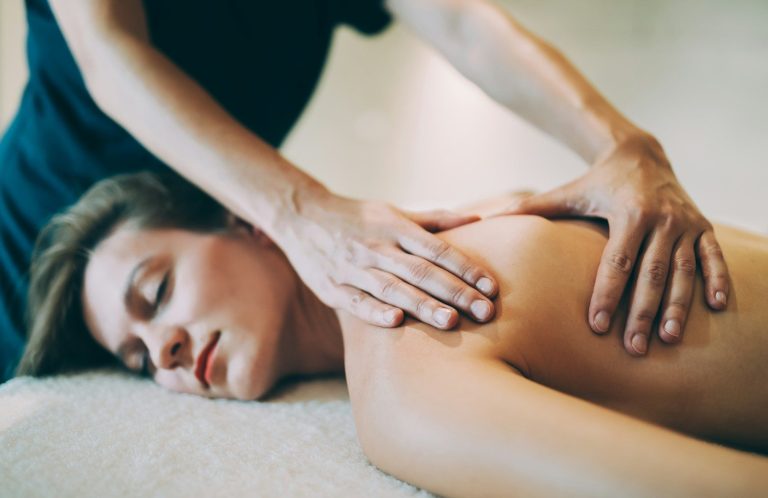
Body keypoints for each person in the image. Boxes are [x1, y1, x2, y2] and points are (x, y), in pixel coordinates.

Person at [0, 0, 731, 380]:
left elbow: (462, 23)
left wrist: (623, 145)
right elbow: (110, 52)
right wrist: (302, 211)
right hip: (19, 253)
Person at [16, 171, 767, 496]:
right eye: (138, 361)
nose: (165, 353)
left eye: (157, 292)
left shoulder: (407, 364)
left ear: (248, 219)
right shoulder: (469, 230)